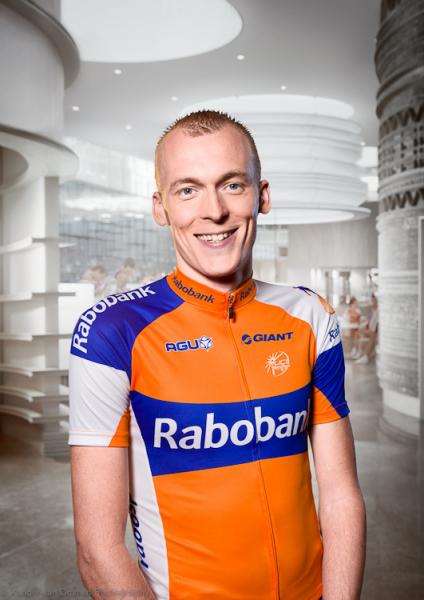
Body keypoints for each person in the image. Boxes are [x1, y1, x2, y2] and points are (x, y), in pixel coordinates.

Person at [68, 111, 366, 600]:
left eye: (231, 185)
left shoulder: (311, 317)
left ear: (261, 196)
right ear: (161, 207)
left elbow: (340, 494)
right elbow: (98, 550)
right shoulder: (112, 332)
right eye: (187, 190)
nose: (214, 212)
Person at [354, 294, 378, 364]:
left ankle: (365, 355)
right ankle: (358, 352)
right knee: (358, 333)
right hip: (372, 330)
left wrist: (364, 331)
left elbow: (373, 330)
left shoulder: (377, 312)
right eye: (372, 300)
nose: (372, 302)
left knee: (372, 336)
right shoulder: (373, 311)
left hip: (374, 333)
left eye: (373, 300)